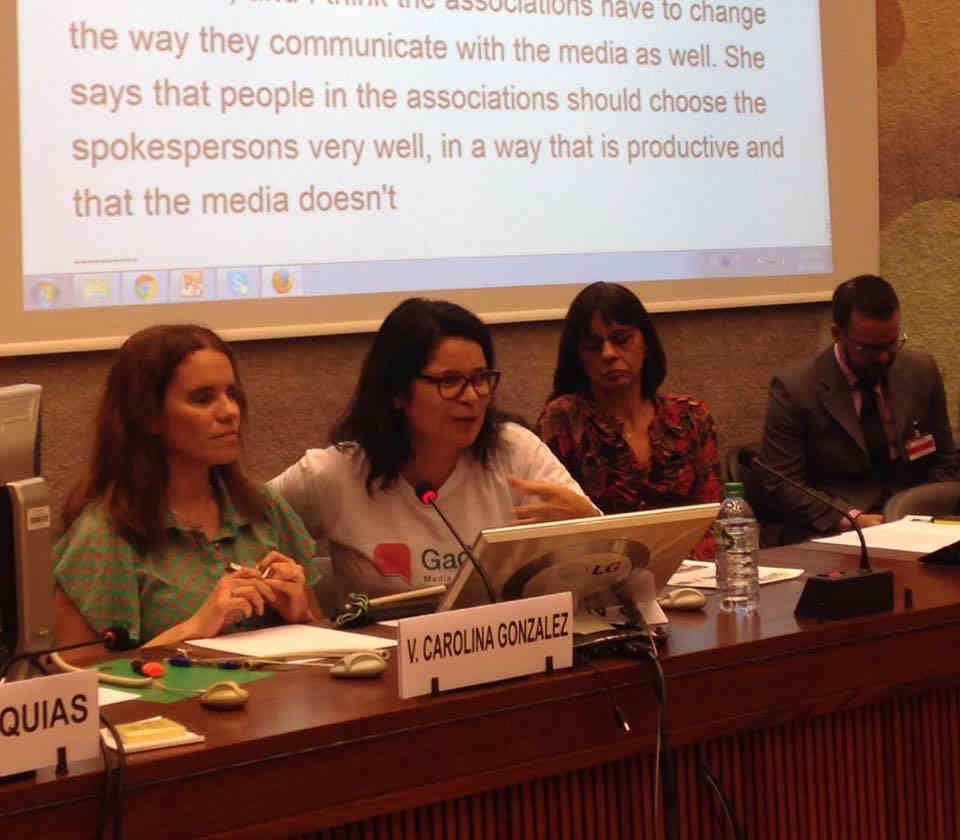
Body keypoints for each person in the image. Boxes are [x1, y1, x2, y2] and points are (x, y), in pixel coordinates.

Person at [270, 298, 598, 605]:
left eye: (481, 378)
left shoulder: (515, 451)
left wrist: (589, 527)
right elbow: (241, 522)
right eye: (450, 380)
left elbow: (604, 559)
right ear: (397, 392)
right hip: (382, 660)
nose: (472, 396)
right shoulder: (333, 473)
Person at [55, 325, 323, 649]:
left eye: (232, 394)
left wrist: (300, 614)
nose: (229, 412)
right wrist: (194, 628)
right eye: (203, 398)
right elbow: (74, 682)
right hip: (171, 701)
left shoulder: (263, 506)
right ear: (149, 416)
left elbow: (324, 642)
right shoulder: (104, 534)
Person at [760, 274, 960, 541]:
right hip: (838, 527)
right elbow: (783, 482)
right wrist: (852, 519)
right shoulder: (795, 388)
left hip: (914, 519)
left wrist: (923, 509)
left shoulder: (921, 371)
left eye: (892, 344)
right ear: (837, 334)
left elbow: (944, 458)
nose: (885, 357)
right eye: (870, 349)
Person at [537, 282, 721, 559]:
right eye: (593, 345)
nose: (608, 354)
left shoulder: (690, 417)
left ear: (646, 343)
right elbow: (555, 524)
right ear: (580, 358)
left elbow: (713, 516)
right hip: (600, 574)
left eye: (621, 339)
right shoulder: (564, 420)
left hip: (693, 577)